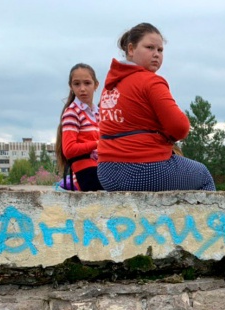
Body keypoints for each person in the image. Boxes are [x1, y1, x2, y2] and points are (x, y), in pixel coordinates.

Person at [96, 23, 215, 192]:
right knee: (203, 175)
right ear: (131, 49)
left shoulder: (110, 86)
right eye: (149, 48)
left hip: (106, 173)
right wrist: (167, 136)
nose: (156, 54)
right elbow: (180, 128)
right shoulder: (151, 82)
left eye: (160, 50)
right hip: (144, 169)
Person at [55, 63, 103, 191]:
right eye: (77, 84)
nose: (82, 89)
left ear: (96, 85)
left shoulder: (99, 113)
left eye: (87, 83)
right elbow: (69, 149)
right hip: (86, 171)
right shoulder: (72, 112)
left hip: (101, 167)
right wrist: (98, 143)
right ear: (71, 86)